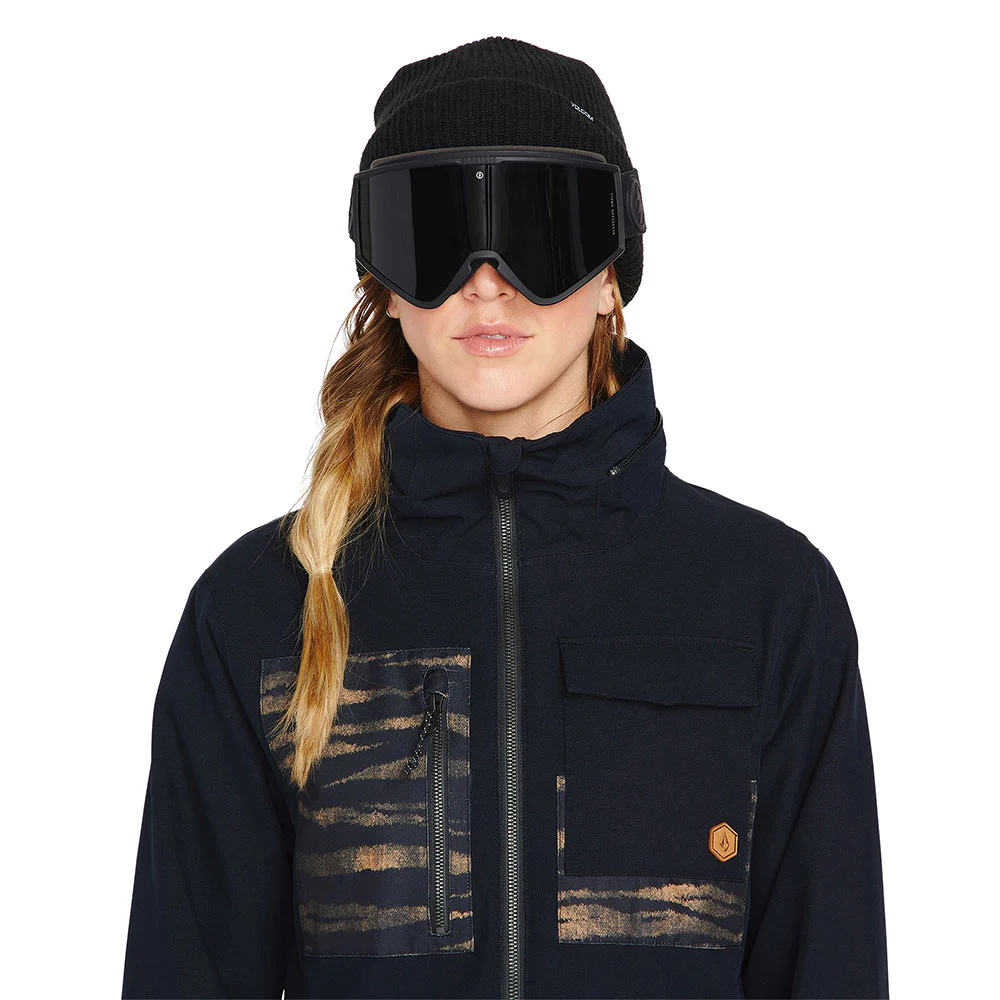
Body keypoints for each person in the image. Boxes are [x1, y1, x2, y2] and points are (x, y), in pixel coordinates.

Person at [121, 35, 889, 1000]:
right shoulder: (257, 610)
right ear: (382, 281)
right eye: (437, 228)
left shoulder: (768, 602)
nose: (487, 280)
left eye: (538, 225)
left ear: (611, 274)